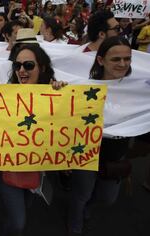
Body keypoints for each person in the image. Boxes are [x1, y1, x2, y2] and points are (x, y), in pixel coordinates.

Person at [0, 44, 66, 236]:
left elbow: (68, 123)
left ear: (41, 68)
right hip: (7, 167)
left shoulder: (55, 94)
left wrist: (64, 95)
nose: (22, 70)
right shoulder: (3, 97)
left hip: (36, 168)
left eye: (28, 65)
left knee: (24, 207)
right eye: (17, 66)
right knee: (18, 222)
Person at [68, 36, 133, 236]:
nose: (122, 64)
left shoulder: (139, 91)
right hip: (86, 151)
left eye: (127, 58)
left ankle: (87, 207)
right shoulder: (84, 88)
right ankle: (75, 222)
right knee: (82, 194)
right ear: (100, 60)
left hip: (116, 154)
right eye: (116, 59)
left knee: (108, 198)